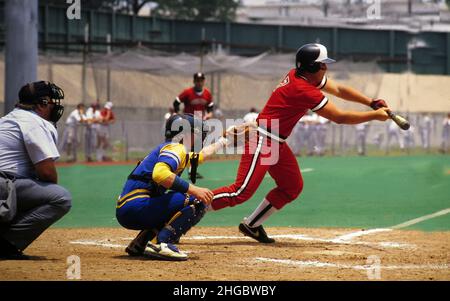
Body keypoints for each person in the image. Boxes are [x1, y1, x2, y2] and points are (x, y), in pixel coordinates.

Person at [208, 43, 390, 243]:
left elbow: (338, 89)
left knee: (291, 186)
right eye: (322, 65)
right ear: (312, 67)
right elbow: (340, 117)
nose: (326, 68)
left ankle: (252, 224)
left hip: (275, 140)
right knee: (240, 192)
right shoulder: (302, 89)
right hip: (262, 138)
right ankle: (185, 207)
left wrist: (370, 102)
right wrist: (374, 116)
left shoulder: (300, 75)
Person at [116, 114, 233, 261]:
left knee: (173, 202)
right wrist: (194, 190)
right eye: (195, 134)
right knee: (196, 199)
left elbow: (201, 156)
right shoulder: (176, 148)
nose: (198, 138)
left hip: (129, 208)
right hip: (136, 206)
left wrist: (225, 140)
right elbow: (160, 174)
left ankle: (141, 242)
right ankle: (163, 243)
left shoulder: (172, 148)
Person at [0, 81, 72, 259]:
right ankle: (5, 243)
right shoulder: (34, 122)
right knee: (60, 197)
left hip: (5, 185)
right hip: (4, 184)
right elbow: (47, 173)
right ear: (42, 103)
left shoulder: (9, 118)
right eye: (52, 102)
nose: (55, 106)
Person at [173, 73, 214, 179]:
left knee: (197, 147)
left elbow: (210, 108)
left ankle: (192, 171)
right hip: (189, 122)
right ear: (194, 81)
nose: (199, 82)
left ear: (204, 81)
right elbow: (176, 102)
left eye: (201, 80)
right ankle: (179, 169)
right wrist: (177, 114)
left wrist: (209, 114)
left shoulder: (207, 94)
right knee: (185, 147)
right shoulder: (188, 92)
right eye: (197, 80)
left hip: (200, 123)